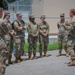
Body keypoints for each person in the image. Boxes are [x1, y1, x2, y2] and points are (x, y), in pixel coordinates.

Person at [0, 8, 8, 75]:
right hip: (1, 43)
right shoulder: (2, 22)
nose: (2, 14)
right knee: (2, 61)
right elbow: (6, 31)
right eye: (2, 12)